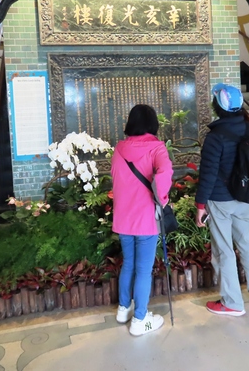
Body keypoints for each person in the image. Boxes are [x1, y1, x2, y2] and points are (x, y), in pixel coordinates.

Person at [195, 83, 249, 316]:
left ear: (217, 106)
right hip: (244, 197)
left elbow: (208, 174)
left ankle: (232, 303)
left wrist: (200, 205)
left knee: (224, 250)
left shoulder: (215, 137)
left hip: (220, 200)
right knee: (245, 241)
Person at [111, 104, 173, 336]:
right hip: (146, 219)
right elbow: (164, 174)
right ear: (153, 124)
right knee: (143, 270)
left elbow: (115, 178)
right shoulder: (157, 148)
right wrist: (162, 199)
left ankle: (123, 309)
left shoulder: (119, 149)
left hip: (123, 218)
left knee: (128, 263)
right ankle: (140, 319)